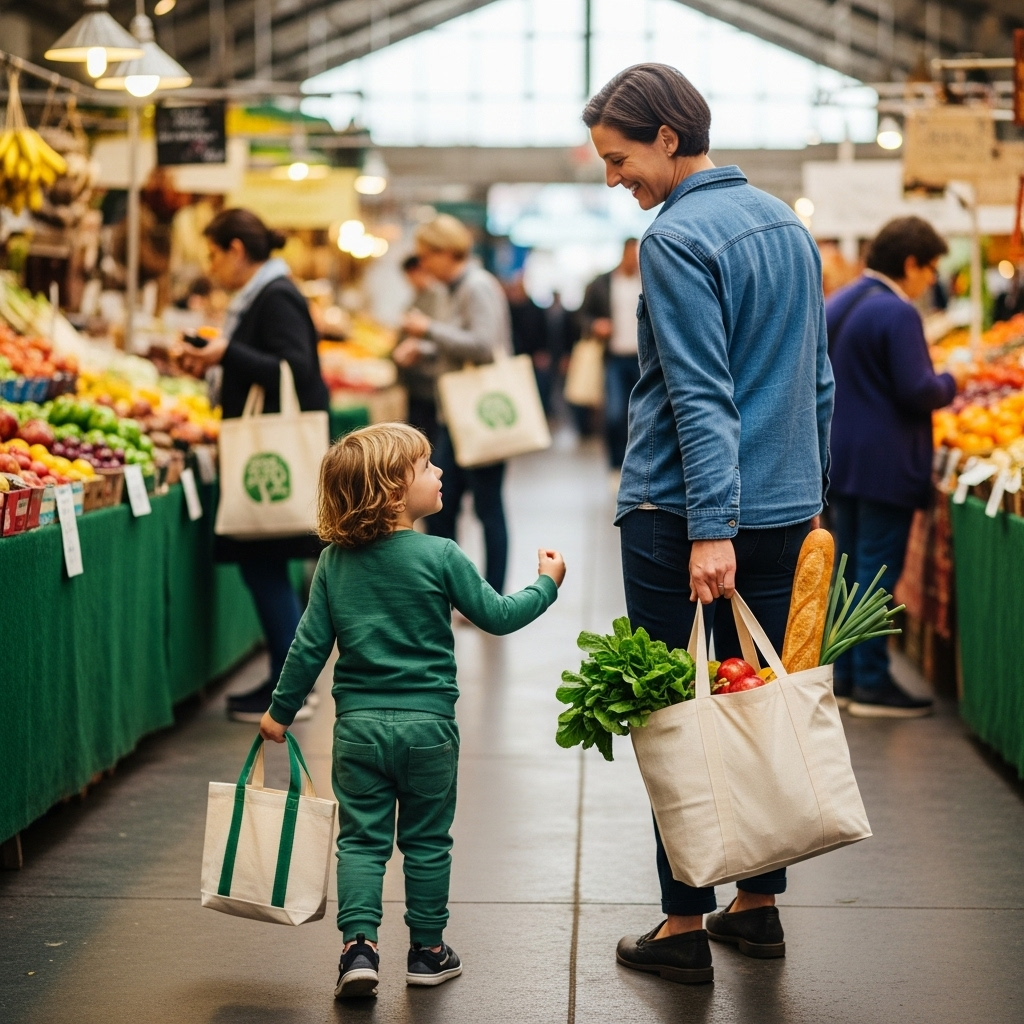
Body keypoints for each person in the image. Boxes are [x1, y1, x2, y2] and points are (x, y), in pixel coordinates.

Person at [583, 64, 833, 984]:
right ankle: (757, 906)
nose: (615, 180)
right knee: (755, 702)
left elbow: (700, 396)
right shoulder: (787, 228)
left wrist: (710, 528)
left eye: (619, 160)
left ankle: (683, 926)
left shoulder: (676, 239)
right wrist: (811, 496)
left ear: (668, 138)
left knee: (674, 708)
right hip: (783, 505)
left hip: (683, 513)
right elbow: (819, 379)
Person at [257, 424, 566, 999]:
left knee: (361, 842)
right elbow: (496, 615)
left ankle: (358, 949)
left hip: (358, 731)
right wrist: (546, 584)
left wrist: (280, 711)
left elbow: (307, 646)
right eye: (426, 467)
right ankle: (426, 952)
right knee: (426, 840)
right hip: (429, 729)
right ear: (393, 490)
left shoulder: (333, 563)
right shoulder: (441, 554)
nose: (440, 472)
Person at [179, 208, 329, 723]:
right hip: (266, 451)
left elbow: (296, 368)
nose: (213, 265)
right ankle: (287, 682)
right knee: (263, 563)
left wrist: (226, 353)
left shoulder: (276, 295)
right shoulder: (266, 293)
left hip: (269, 454)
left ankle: (291, 689)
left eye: (214, 254)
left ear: (237, 250)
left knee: (262, 561)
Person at [827, 217, 956, 717]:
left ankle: (846, 677)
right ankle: (874, 682)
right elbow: (917, 388)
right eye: (930, 269)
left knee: (851, 572)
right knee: (876, 572)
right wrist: (952, 379)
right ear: (910, 264)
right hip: (885, 463)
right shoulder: (897, 313)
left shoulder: (840, 301)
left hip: (842, 458)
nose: (931, 280)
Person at [393, 214, 514, 593]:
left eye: (427, 256)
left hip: (478, 413)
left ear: (446, 253)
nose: (424, 266)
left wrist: (427, 330)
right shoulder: (456, 288)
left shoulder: (476, 286)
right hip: (459, 414)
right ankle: (459, 589)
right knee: (443, 506)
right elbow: (459, 341)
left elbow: (481, 344)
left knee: (486, 507)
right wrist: (426, 348)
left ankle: (489, 594)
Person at [580, 238, 642, 472]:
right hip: (613, 358)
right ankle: (616, 464)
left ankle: (635, 464)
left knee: (640, 414)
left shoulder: (646, 281)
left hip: (642, 359)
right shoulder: (602, 283)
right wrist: (596, 325)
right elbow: (582, 316)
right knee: (615, 413)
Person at [396, 253, 448, 447]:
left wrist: (418, 348)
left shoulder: (437, 295)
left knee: (427, 435)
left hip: (429, 379)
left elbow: (441, 337)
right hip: (416, 379)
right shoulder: (419, 296)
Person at [506, 274, 553, 414]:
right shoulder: (509, 309)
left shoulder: (535, 309)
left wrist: (542, 352)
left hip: (534, 357)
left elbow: (544, 332)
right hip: (514, 357)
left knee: (538, 391)